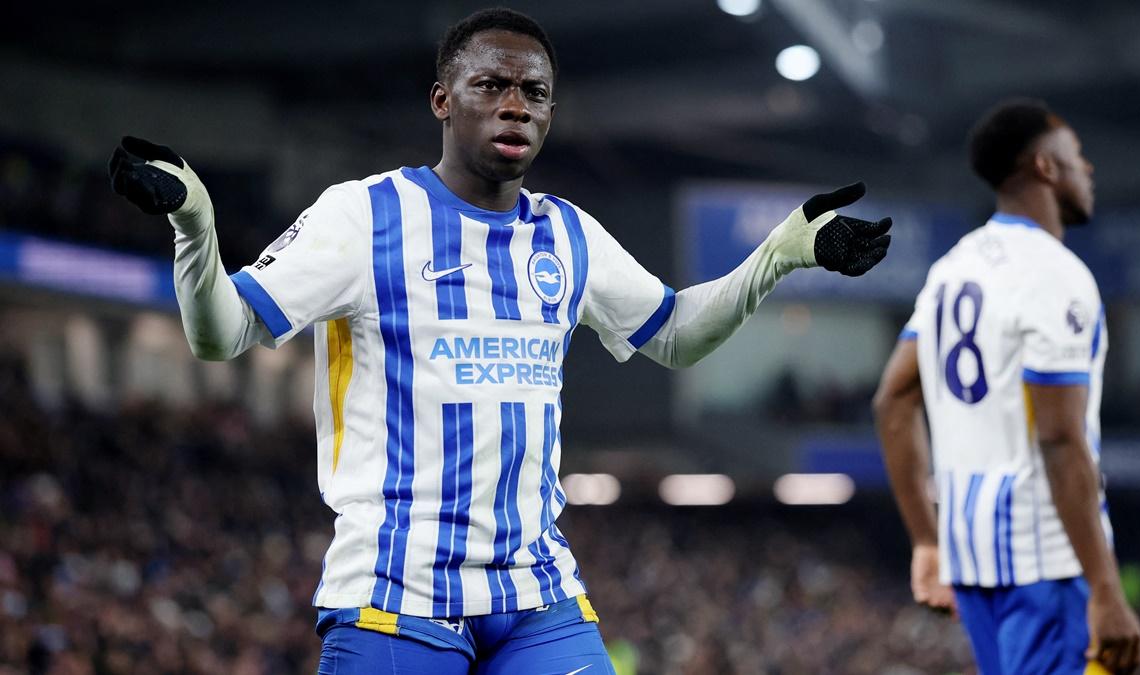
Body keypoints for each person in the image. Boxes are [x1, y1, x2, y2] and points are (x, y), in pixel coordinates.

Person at [109, 7, 892, 673]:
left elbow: (675, 335)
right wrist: (196, 225)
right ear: (443, 100)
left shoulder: (568, 235)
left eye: (535, 92)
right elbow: (223, 331)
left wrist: (780, 256)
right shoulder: (365, 216)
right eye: (492, 84)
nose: (515, 104)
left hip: (536, 595)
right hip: (397, 593)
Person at [872, 99, 1140, 675]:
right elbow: (1060, 440)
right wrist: (1105, 588)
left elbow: (891, 400)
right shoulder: (1057, 276)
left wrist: (925, 538)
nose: (1088, 169)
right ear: (1045, 166)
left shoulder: (952, 268)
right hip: (1044, 561)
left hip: (972, 562)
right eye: (1076, 156)